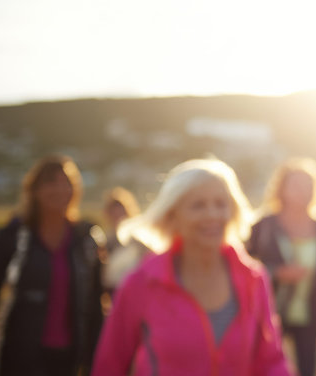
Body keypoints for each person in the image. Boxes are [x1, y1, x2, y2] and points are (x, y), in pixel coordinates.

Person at [92, 159, 290, 375]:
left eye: (220, 204)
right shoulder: (141, 282)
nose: (213, 214)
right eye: (198, 205)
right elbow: (109, 365)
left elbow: (270, 361)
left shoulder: (253, 278)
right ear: (172, 215)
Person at [0, 155, 104, 376]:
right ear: (35, 190)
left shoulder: (85, 241)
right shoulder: (13, 238)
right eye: (51, 182)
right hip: (19, 355)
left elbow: (94, 306)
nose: (60, 189)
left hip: (69, 358)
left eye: (66, 182)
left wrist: (93, 359)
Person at [248, 158, 316, 376]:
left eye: (308, 186)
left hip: (310, 315)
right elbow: (245, 266)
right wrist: (275, 273)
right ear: (282, 189)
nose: (302, 191)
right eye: (296, 185)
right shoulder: (263, 226)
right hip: (268, 313)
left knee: (308, 369)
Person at [100, 187, 150, 294]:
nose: (118, 215)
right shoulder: (104, 240)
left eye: (121, 210)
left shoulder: (140, 239)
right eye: (114, 211)